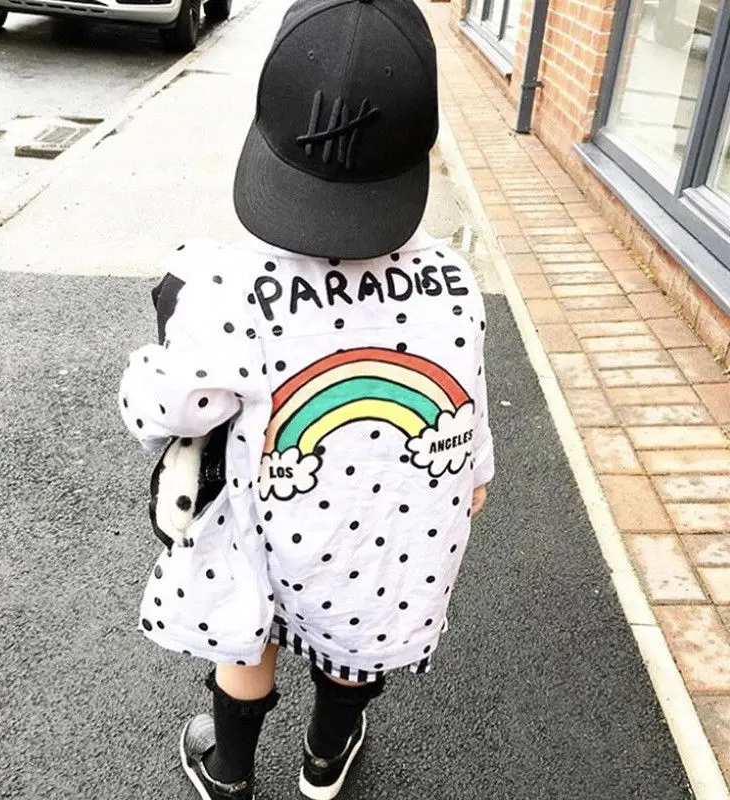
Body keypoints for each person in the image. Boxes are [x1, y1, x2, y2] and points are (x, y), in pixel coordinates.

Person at [118, 0, 494, 798]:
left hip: (267, 522)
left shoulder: (229, 283)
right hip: (389, 536)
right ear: (422, 148)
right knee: (356, 636)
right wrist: (475, 472)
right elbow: (466, 396)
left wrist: (144, 376)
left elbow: (167, 410)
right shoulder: (453, 282)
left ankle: (229, 769)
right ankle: (326, 755)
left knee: (248, 634)